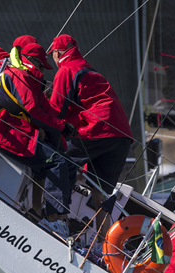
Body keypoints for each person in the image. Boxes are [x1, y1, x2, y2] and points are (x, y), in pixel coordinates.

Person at [0, 42, 73, 236]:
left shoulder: (18, 74)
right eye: (41, 66)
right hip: (8, 136)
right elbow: (33, 112)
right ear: (31, 61)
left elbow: (41, 111)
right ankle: (55, 220)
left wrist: (60, 130)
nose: (42, 70)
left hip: (8, 134)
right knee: (57, 161)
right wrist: (61, 127)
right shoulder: (20, 76)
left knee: (50, 161)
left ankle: (37, 213)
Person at [49, 34, 133, 239]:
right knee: (100, 191)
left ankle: (57, 219)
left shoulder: (66, 69)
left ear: (58, 52)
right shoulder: (87, 67)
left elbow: (56, 109)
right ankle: (104, 243)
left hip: (98, 128)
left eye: (52, 53)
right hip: (121, 135)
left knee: (59, 160)